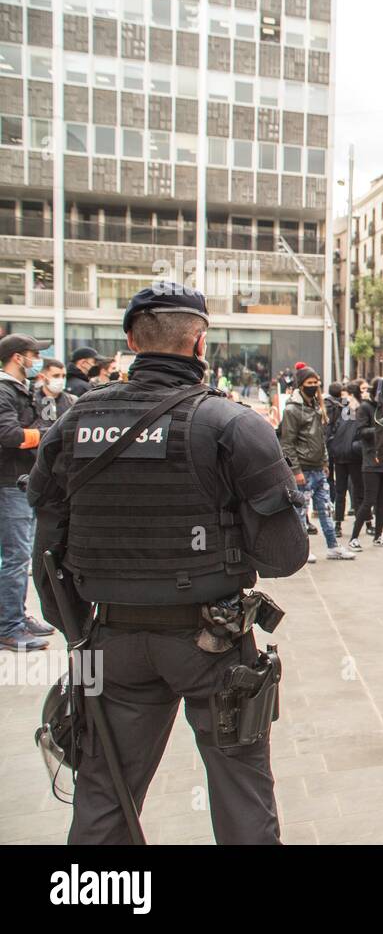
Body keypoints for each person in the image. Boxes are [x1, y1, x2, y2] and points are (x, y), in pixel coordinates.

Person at [26, 282, 309, 843]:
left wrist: (79, 631)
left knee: (104, 792)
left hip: (110, 638)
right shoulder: (232, 423)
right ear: (201, 344)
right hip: (214, 640)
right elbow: (285, 555)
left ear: (131, 340)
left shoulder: (74, 423)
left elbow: (48, 549)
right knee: (241, 792)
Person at [0, 332, 55, 651]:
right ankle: (8, 626)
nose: (38, 361)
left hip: (22, 480)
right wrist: (48, 434)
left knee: (21, 553)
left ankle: (17, 614)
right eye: (34, 355)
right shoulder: (4, 392)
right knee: (16, 556)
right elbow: (9, 435)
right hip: (9, 483)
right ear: (18, 358)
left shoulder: (20, 390)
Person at [280, 366, 354, 561]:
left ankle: (332, 546)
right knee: (300, 512)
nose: (314, 386)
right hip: (303, 468)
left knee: (325, 509)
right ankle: (302, 549)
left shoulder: (316, 406)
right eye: (310, 383)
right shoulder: (292, 409)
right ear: (301, 384)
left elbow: (321, 438)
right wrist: (295, 470)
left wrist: (324, 461)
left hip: (318, 467)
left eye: (316, 383)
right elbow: (287, 443)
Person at [348, 382, 383, 551]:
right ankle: (354, 537)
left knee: (382, 502)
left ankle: (378, 535)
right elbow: (361, 432)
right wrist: (381, 427)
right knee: (369, 500)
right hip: (371, 460)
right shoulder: (365, 408)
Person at [326, 382, 363, 541]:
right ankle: (340, 524)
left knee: (350, 490)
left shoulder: (344, 407)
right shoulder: (341, 407)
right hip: (347, 455)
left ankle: (347, 523)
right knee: (347, 490)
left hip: (344, 454)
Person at [33, 358, 77, 432]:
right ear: (43, 377)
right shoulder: (32, 400)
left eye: (63, 376)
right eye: (56, 376)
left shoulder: (72, 401)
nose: (61, 380)